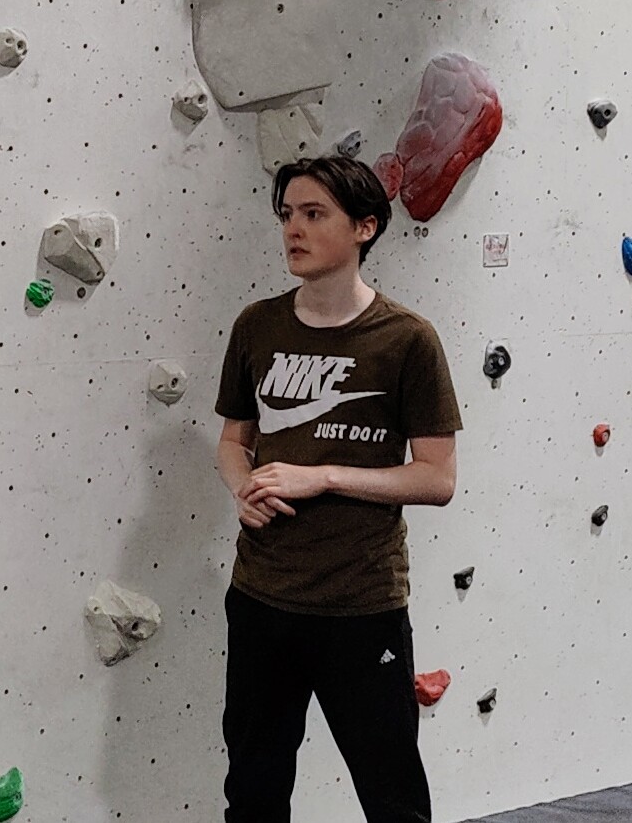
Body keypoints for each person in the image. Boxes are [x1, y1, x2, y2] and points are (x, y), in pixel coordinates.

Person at [215, 155, 460, 823]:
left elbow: (437, 479)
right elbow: (234, 442)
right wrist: (244, 487)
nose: (293, 229)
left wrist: (322, 476)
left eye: (314, 214)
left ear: (365, 226)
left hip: (363, 607)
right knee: (254, 792)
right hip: (262, 600)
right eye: (287, 214)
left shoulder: (407, 340)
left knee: (393, 797)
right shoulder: (257, 326)